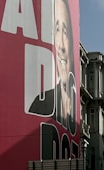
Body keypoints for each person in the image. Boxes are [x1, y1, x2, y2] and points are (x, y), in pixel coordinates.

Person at [29, 0, 76, 134]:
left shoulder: (76, 109)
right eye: (56, 30)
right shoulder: (39, 105)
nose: (61, 45)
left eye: (65, 32)